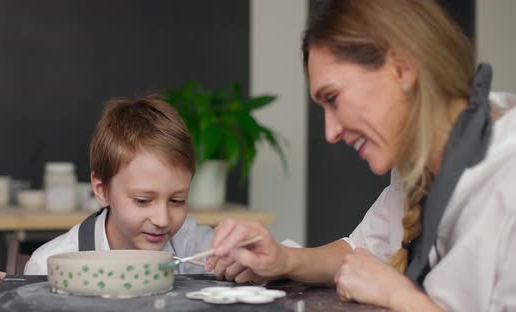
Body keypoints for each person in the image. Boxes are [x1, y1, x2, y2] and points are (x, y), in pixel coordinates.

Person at [207, 0, 516, 311]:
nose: (330, 133)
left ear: (402, 67)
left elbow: (380, 279)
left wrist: (400, 297)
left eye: (333, 98)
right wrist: (281, 259)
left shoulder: (508, 173)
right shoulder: (417, 163)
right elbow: (359, 253)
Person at [0, 96, 256, 286]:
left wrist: (250, 259)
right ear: (101, 189)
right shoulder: (52, 264)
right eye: (142, 200)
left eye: (178, 200)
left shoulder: (195, 247)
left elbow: (277, 261)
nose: (163, 219)